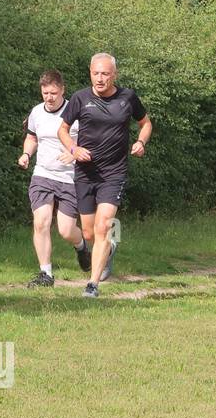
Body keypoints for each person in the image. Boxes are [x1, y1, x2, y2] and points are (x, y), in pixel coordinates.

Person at [56, 52, 152, 298]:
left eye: (105, 74)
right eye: (95, 73)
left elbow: (146, 123)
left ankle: (92, 285)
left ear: (114, 75)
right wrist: (74, 149)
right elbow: (63, 130)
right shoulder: (80, 98)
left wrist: (141, 142)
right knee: (88, 233)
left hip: (113, 173)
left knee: (103, 226)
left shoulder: (127, 97)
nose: (100, 79)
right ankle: (107, 249)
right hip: (85, 174)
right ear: (90, 73)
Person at [18, 69, 91, 287]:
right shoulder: (37, 112)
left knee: (66, 230)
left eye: (53, 93)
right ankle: (46, 274)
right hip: (43, 174)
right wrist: (26, 154)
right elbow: (32, 137)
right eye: (45, 93)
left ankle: (82, 247)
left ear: (62, 90)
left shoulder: (75, 111)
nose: (49, 97)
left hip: (70, 177)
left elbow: (92, 142)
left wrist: (74, 152)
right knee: (41, 222)